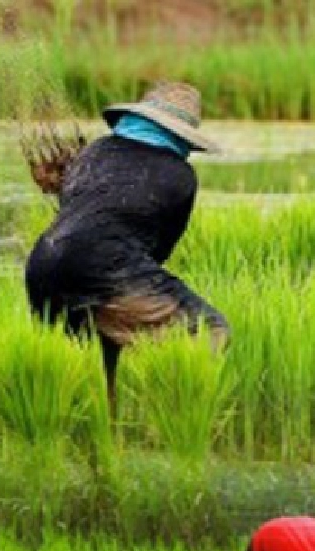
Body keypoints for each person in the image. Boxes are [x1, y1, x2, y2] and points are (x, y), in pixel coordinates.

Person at [24, 82, 230, 415]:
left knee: (101, 361)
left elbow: (76, 210)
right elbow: (156, 250)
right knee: (212, 330)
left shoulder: (94, 151)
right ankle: (180, 421)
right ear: (182, 135)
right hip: (105, 265)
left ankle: (104, 439)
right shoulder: (180, 175)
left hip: (42, 265)